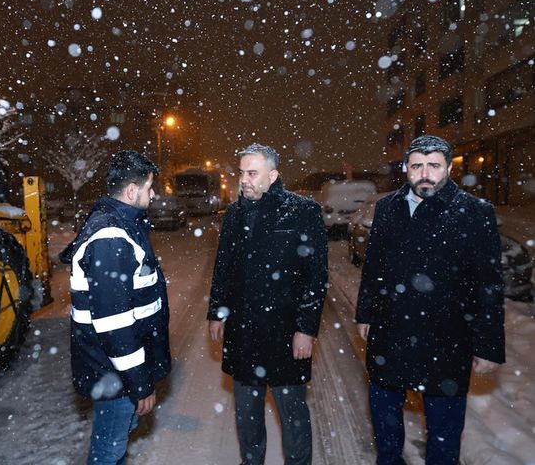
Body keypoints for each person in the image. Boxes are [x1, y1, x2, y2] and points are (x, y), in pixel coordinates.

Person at [355, 135, 505, 465]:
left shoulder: (474, 212)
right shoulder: (387, 208)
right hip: (391, 333)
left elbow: (488, 284)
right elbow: (375, 266)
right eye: (417, 165)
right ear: (407, 168)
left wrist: (488, 344)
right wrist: (365, 313)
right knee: (386, 429)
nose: (425, 173)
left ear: (448, 168)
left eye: (434, 166)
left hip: (448, 338)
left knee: (444, 438)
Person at [207, 143, 327, 465]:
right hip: (245, 333)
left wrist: (306, 328)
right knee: (247, 417)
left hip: (286, 333)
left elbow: (316, 277)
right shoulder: (234, 215)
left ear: (272, 175)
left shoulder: (302, 212)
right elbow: (224, 267)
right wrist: (217, 312)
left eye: (251, 173)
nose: (243, 180)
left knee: (293, 417)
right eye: (241, 172)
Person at [60, 150, 171, 465]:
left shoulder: (122, 224)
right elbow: (114, 323)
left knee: (116, 444)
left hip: (115, 371)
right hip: (114, 373)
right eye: (150, 187)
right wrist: (139, 383)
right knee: (108, 452)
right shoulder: (112, 236)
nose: (154, 193)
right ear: (132, 191)